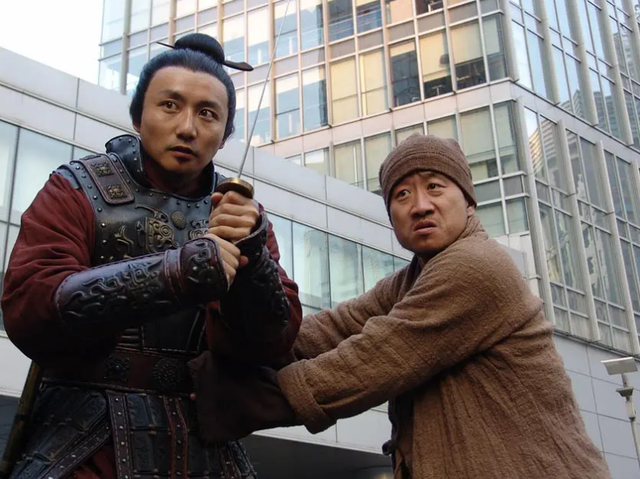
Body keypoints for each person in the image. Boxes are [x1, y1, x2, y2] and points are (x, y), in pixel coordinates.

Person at [196, 135, 612, 479]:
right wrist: (218, 334)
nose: (420, 205)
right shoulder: (409, 280)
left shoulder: (477, 266)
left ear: (468, 200)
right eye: (402, 194)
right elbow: (330, 330)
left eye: (435, 187)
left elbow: (375, 358)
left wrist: (222, 396)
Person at [0, 33, 301, 479]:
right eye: (170, 105)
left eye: (207, 114)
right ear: (138, 116)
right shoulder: (77, 188)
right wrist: (178, 272)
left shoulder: (240, 216)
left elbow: (273, 343)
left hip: (205, 441)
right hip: (84, 435)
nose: (187, 127)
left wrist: (252, 255)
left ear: (224, 136)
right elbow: (32, 304)